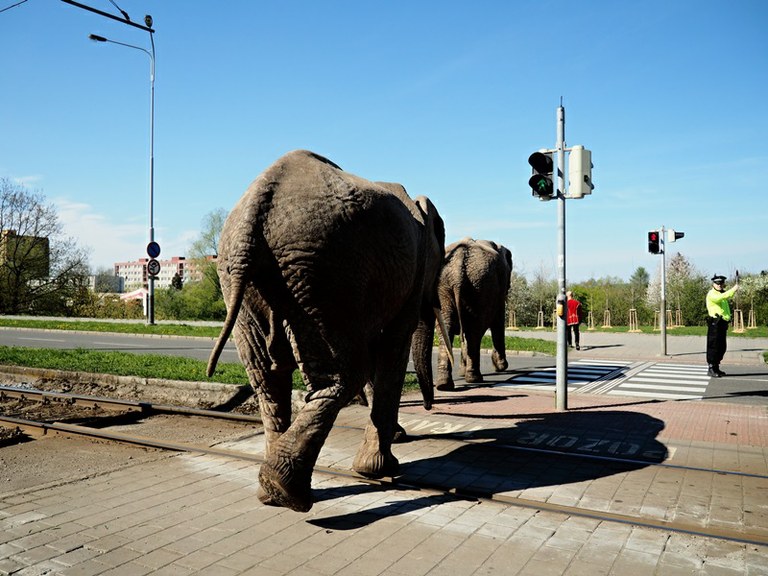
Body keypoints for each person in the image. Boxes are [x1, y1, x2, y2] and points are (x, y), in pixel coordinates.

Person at [705, 274, 739, 377]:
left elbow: (725, 298)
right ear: (713, 284)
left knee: (721, 347)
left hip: (722, 324)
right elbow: (722, 297)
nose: (719, 285)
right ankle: (711, 368)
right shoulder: (712, 294)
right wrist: (734, 289)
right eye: (717, 283)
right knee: (713, 346)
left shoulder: (721, 293)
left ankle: (716, 367)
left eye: (721, 283)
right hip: (715, 323)